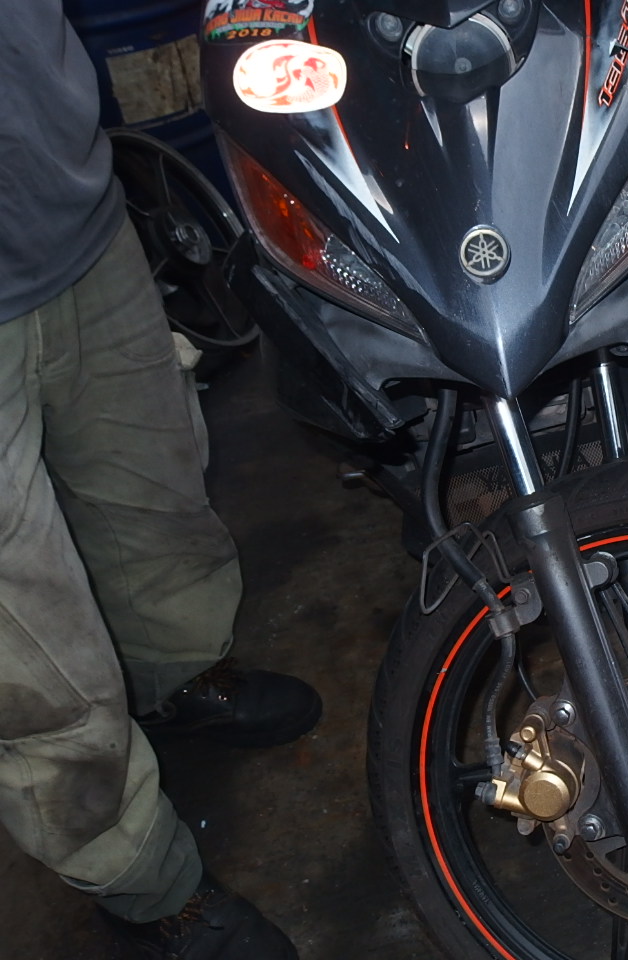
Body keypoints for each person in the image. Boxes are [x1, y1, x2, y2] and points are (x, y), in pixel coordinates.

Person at [1, 5, 319, 957]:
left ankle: (178, 678)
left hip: (73, 219)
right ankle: (144, 885)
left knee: (153, 501)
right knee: (32, 655)